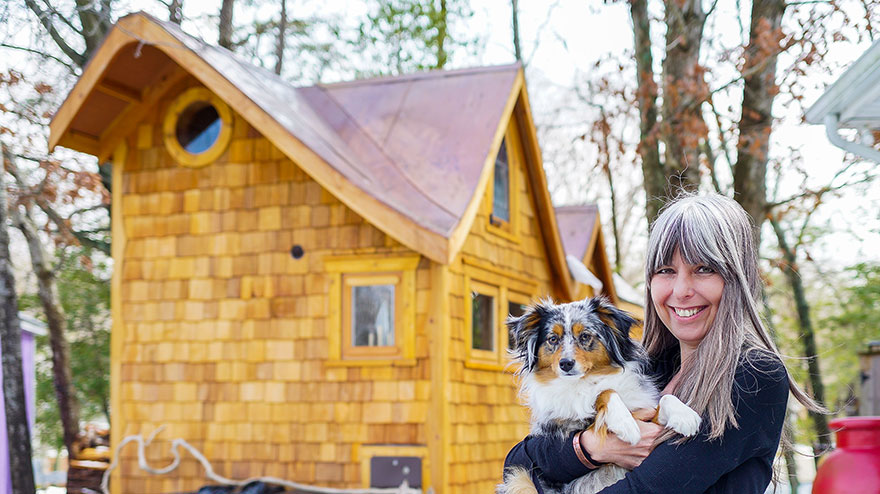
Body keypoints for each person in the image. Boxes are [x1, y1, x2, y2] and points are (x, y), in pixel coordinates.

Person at [503, 193, 824, 493]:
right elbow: (518, 462)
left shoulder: (754, 375)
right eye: (666, 270)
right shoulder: (651, 367)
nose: (682, 290)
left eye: (704, 269)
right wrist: (592, 447)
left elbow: (648, 489)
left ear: (738, 278)